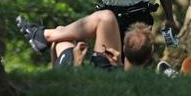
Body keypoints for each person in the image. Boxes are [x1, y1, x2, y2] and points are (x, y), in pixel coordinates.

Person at [16, 10, 153, 71]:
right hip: (112, 71)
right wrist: (117, 66)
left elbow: (79, 89)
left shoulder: (107, 68)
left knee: (60, 38)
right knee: (61, 33)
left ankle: (45, 36)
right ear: (149, 56)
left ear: (123, 48)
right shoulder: (116, 70)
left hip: (73, 79)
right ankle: (45, 37)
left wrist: (77, 63)